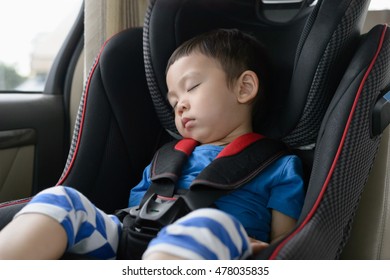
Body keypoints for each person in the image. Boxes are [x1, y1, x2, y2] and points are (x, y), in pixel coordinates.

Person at [0, 29, 305, 260]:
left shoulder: (278, 165)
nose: (180, 106)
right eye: (173, 102)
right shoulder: (166, 160)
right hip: (135, 241)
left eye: (192, 87)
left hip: (217, 244)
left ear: (244, 88)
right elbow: (136, 211)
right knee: (61, 199)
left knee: (207, 223)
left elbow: (287, 243)